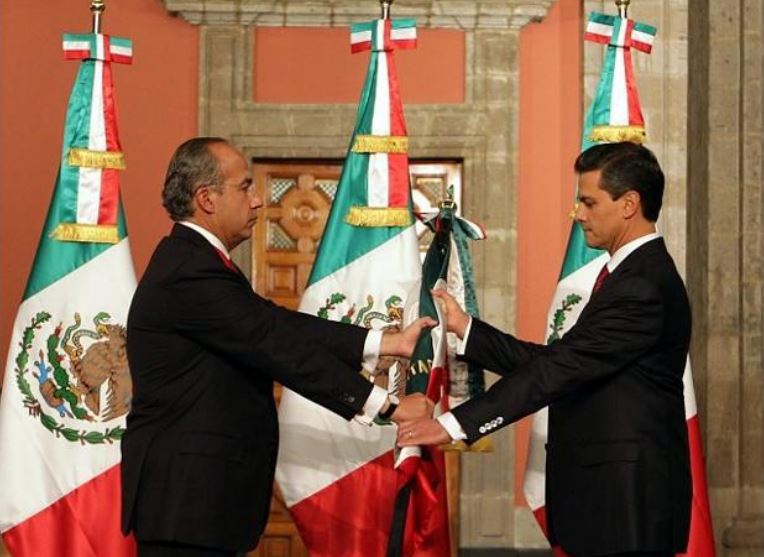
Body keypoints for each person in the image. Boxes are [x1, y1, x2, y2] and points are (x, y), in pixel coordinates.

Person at [121, 137, 435, 557]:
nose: (258, 201)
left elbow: (274, 323)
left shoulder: (197, 262)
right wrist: (390, 407)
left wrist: (382, 341)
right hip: (187, 504)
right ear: (206, 198)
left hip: (200, 506)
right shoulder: (190, 271)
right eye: (245, 187)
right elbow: (276, 346)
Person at [398, 142, 692, 557]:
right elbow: (563, 363)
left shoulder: (642, 285)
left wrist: (453, 424)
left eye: (589, 202)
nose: (579, 214)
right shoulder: (630, 275)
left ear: (629, 204)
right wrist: (468, 330)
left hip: (626, 505)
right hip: (607, 501)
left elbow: (561, 368)